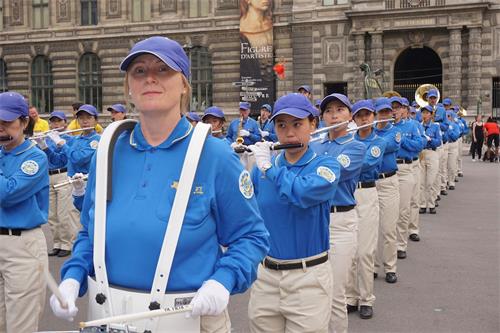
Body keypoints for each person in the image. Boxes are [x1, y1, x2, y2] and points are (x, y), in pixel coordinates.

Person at [49, 36, 269, 332]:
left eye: (163, 69)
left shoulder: (214, 155)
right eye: (139, 71)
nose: (150, 78)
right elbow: (92, 229)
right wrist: (73, 275)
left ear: (184, 84)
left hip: (187, 318)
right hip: (108, 315)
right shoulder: (108, 151)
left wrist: (223, 280)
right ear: (129, 85)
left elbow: (251, 237)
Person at [248, 93, 340, 333]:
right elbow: (248, 213)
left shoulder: (326, 165)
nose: (289, 133)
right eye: (281, 125)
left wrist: (268, 167)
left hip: (307, 278)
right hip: (266, 276)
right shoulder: (261, 171)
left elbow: (303, 192)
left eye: (297, 124)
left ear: (313, 125)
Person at [311, 93, 365, 333]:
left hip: (340, 222)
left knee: (334, 294)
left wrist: (310, 165)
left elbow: (328, 177)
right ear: (322, 117)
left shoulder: (355, 146)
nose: (334, 114)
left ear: (350, 116)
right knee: (311, 291)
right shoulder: (315, 143)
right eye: (329, 110)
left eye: (340, 109)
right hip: (312, 219)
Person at [0, 91, 49, 333]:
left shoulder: (35, 157)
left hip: (22, 246)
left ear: (24, 122)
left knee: (21, 324)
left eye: (6, 122)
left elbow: (7, 194)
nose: (1, 129)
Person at [345, 100, 386, 320]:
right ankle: (351, 297)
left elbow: (367, 163)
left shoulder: (378, 141)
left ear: (373, 117)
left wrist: (346, 162)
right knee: (350, 250)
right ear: (354, 118)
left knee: (365, 251)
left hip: (367, 193)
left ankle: (366, 298)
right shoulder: (349, 140)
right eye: (359, 115)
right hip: (349, 192)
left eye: (367, 115)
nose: (363, 119)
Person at [34, 111, 80, 258]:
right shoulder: (47, 139)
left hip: (64, 175)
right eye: (53, 122)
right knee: (52, 214)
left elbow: (62, 158)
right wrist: (41, 145)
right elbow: (48, 160)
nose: (56, 124)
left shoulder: (69, 139)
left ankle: (67, 244)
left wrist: (58, 142)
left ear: (65, 123)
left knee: (64, 213)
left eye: (59, 121)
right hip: (48, 176)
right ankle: (57, 243)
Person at [390, 96, 423, 260]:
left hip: (404, 168)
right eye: (392, 107)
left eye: (398, 107)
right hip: (388, 171)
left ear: (405, 110)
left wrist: (401, 140)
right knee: (388, 212)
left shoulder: (412, 125)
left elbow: (418, 145)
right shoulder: (384, 126)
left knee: (403, 209)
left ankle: (401, 244)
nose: (395, 110)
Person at [373, 97, 401, 284]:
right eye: (380, 112)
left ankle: (390, 266)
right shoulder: (368, 132)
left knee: (389, 228)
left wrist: (370, 142)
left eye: (386, 112)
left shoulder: (395, 132)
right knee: (371, 230)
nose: (383, 116)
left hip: (388, 182)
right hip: (370, 183)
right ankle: (373, 266)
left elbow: (387, 146)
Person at [48, 104, 101, 177]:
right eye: (81, 118)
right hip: (71, 181)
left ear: (96, 120)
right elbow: (59, 161)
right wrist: (44, 147)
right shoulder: (75, 139)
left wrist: (62, 144)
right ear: (77, 121)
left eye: (89, 118)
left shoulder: (96, 139)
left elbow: (78, 159)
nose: (85, 121)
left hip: (86, 182)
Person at [419, 105, 442, 214]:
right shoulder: (418, 126)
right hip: (421, 153)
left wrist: (430, 140)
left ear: (431, 114)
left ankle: (431, 203)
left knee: (431, 181)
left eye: (427, 113)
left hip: (432, 153)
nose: (425, 115)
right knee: (421, 181)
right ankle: (422, 204)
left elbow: (438, 142)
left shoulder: (435, 126)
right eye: (423, 113)